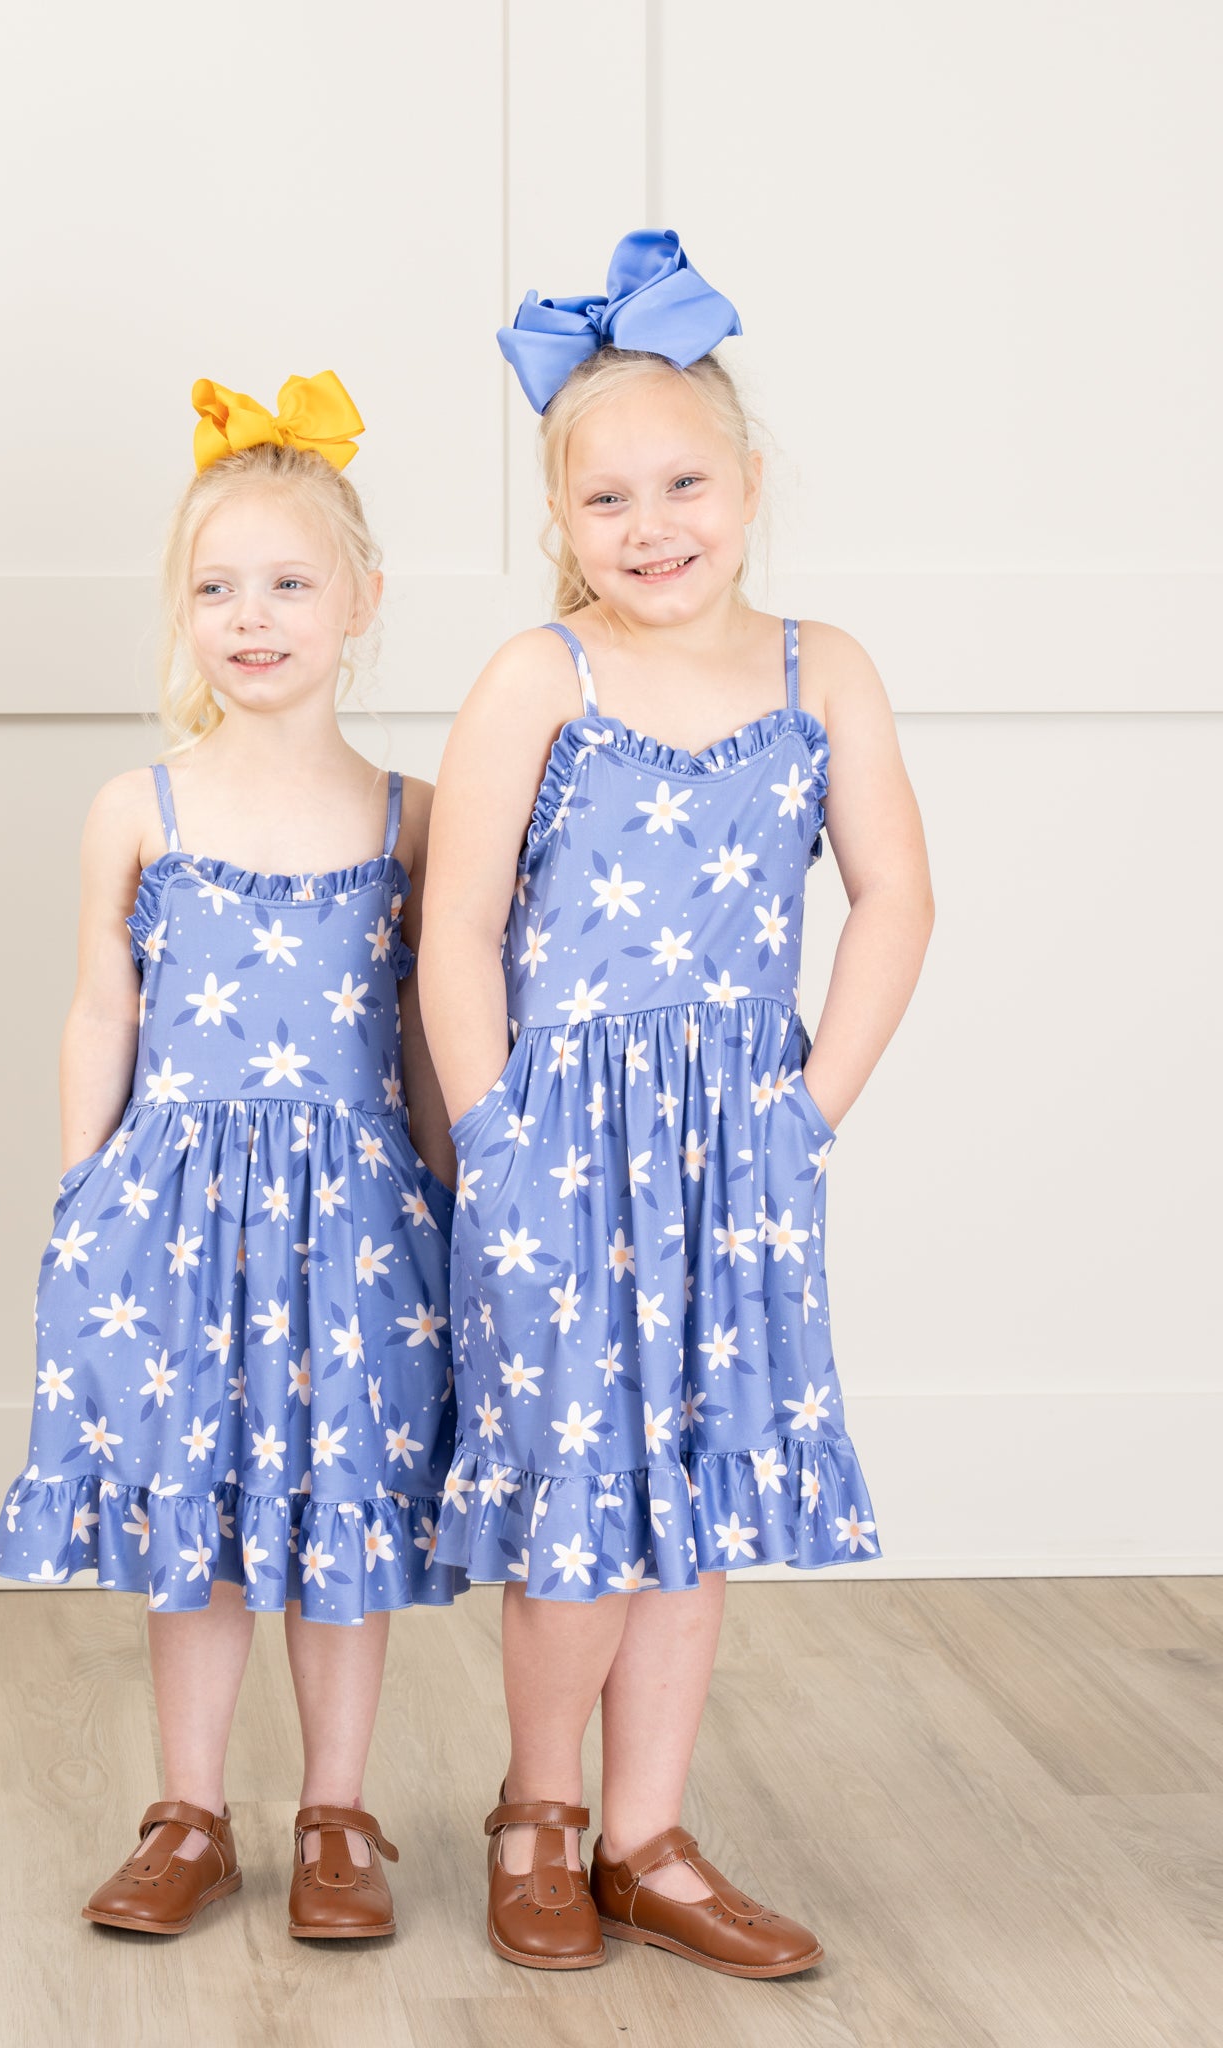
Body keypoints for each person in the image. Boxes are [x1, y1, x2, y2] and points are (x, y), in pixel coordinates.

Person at [419, 230, 933, 1973]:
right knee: (581, 1505)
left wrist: (810, 1111)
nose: (652, 527)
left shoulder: (820, 671)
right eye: (607, 499)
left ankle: (648, 1836)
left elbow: (895, 897)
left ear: (751, 484)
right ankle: (539, 1814)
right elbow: (458, 926)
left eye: (685, 485)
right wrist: (494, 1136)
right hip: (562, 1154)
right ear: (561, 522)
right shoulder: (537, 679)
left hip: (735, 1152)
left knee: (690, 1501)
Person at [0, 370, 464, 1943]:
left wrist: (450, 1200)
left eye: (289, 585)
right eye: (216, 589)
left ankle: (337, 1816)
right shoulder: (140, 808)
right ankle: (187, 1812)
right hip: (177, 1225)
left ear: (361, 601)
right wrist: (84, 1198)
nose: (251, 618)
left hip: (357, 1230)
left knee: (339, 1527)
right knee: (194, 1531)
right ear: (181, 610)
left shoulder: (408, 818)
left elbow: (426, 1033)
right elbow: (99, 1008)